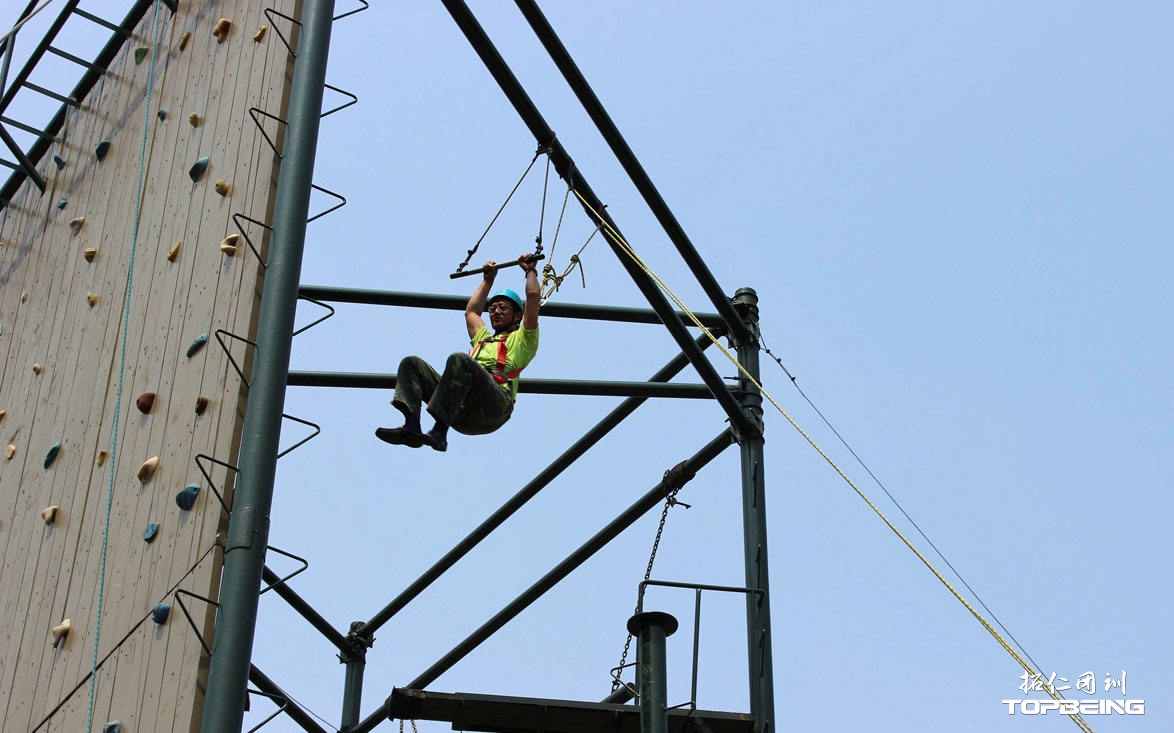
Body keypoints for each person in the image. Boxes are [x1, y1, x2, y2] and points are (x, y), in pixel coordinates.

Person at [376, 254, 540, 452]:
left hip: (494, 406)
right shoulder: (484, 339)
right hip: (462, 411)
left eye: (502, 308)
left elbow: (532, 297)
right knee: (412, 364)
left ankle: (439, 432)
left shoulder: (523, 340)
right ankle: (411, 427)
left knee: (460, 360)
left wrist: (530, 270)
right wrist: (487, 281)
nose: (496, 312)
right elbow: (471, 312)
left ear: (517, 315)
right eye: (493, 308)